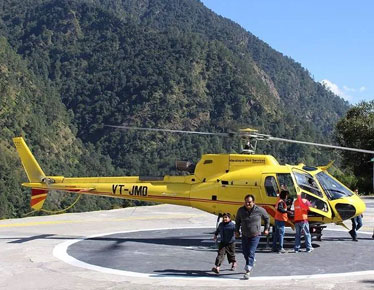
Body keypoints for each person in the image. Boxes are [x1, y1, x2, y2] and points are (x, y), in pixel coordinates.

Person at [235, 194, 270, 280]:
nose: (247, 204)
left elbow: (267, 218)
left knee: (251, 252)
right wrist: (236, 231)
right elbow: (237, 221)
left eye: (249, 202)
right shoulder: (240, 210)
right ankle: (251, 261)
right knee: (245, 252)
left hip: (255, 235)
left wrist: (266, 229)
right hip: (244, 234)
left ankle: (247, 271)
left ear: (253, 202)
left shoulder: (260, 210)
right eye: (246, 202)